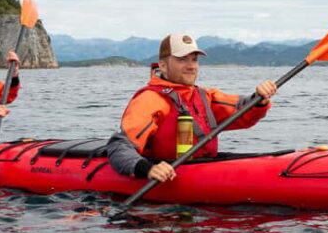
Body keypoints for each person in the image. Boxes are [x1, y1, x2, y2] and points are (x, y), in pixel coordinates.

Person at [107, 33, 277, 182]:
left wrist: (259, 99)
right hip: (165, 173)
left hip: (200, 167)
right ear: (163, 66)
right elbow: (119, 146)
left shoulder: (204, 96)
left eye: (194, 59)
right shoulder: (151, 99)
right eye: (182, 59)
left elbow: (241, 108)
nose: (191, 66)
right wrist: (148, 169)